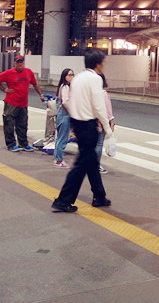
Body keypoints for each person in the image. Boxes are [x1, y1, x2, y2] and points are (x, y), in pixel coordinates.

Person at [52, 50, 112, 213]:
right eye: (103, 62)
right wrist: (107, 128)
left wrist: (73, 124)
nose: (103, 65)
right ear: (98, 64)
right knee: (81, 164)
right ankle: (63, 200)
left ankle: (99, 196)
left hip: (77, 122)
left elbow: (73, 102)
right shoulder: (95, 79)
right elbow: (98, 106)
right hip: (88, 124)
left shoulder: (78, 78)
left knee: (90, 161)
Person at [0, 55, 45, 152]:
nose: (19, 64)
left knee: (23, 125)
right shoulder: (9, 73)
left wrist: (41, 95)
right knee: (9, 124)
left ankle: (24, 144)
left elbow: (35, 84)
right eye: (17, 62)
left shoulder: (28, 72)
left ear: (24, 63)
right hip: (11, 103)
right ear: (14, 63)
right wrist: (4, 89)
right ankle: (11, 144)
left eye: (21, 62)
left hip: (23, 104)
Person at [52, 68, 74, 168]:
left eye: (73, 75)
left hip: (62, 115)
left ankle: (57, 159)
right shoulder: (65, 87)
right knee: (63, 139)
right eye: (69, 75)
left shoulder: (63, 86)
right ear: (64, 76)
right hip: (65, 115)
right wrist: (72, 113)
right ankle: (58, 160)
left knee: (60, 138)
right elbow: (65, 102)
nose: (72, 77)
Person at [94, 73, 115, 174]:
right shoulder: (103, 93)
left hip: (90, 122)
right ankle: (96, 166)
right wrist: (111, 122)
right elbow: (107, 110)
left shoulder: (90, 93)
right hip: (100, 123)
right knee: (99, 144)